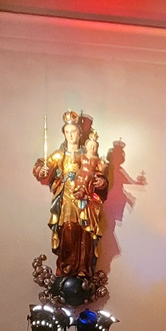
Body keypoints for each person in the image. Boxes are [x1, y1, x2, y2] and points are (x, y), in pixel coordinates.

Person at [32, 110, 109, 279]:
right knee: (67, 229)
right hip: (66, 198)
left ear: (80, 133)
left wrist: (101, 182)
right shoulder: (60, 154)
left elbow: (100, 175)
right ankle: (67, 267)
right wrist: (42, 170)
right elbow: (41, 165)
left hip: (85, 199)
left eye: (73, 131)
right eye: (67, 132)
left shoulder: (88, 155)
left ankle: (83, 269)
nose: (70, 135)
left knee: (85, 233)